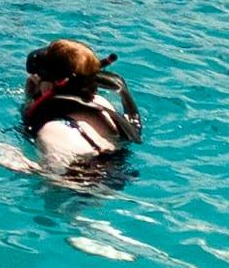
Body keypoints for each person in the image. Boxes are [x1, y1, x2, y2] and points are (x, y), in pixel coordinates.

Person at [21, 40, 142, 181]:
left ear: (50, 84)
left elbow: (56, 181)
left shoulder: (52, 131)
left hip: (82, 192)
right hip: (119, 174)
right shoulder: (103, 104)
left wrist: (5, 157)